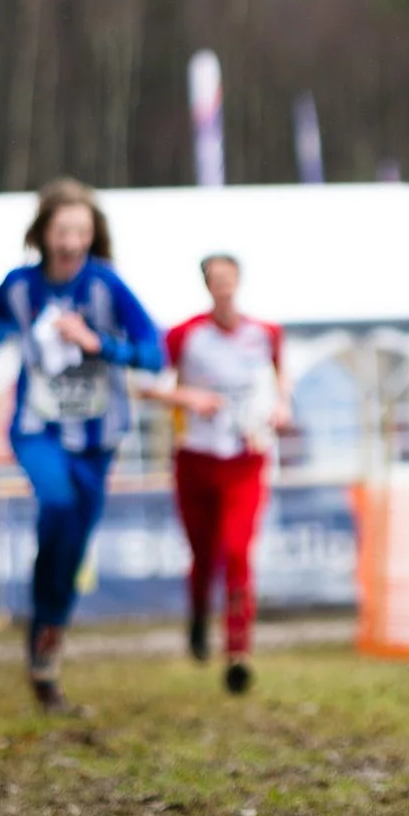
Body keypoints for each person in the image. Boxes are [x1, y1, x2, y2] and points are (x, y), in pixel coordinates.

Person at [0, 178, 166, 711]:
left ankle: (46, 646)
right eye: (63, 231)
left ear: (92, 235)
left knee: (72, 544)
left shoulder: (108, 287)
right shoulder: (18, 285)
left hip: (98, 437)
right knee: (55, 502)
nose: (71, 242)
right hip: (37, 428)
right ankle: (44, 620)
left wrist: (97, 344)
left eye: (81, 231)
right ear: (43, 234)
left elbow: (154, 354)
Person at [143, 254, 290, 695]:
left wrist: (281, 406)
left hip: (246, 457)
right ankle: (198, 617)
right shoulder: (184, 335)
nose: (223, 286)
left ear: (239, 281)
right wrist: (189, 398)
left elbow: (283, 377)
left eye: (229, 278)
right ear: (206, 285)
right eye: (214, 279)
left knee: (238, 551)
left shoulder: (265, 333)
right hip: (196, 458)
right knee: (204, 555)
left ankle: (239, 651)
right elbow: (150, 384)